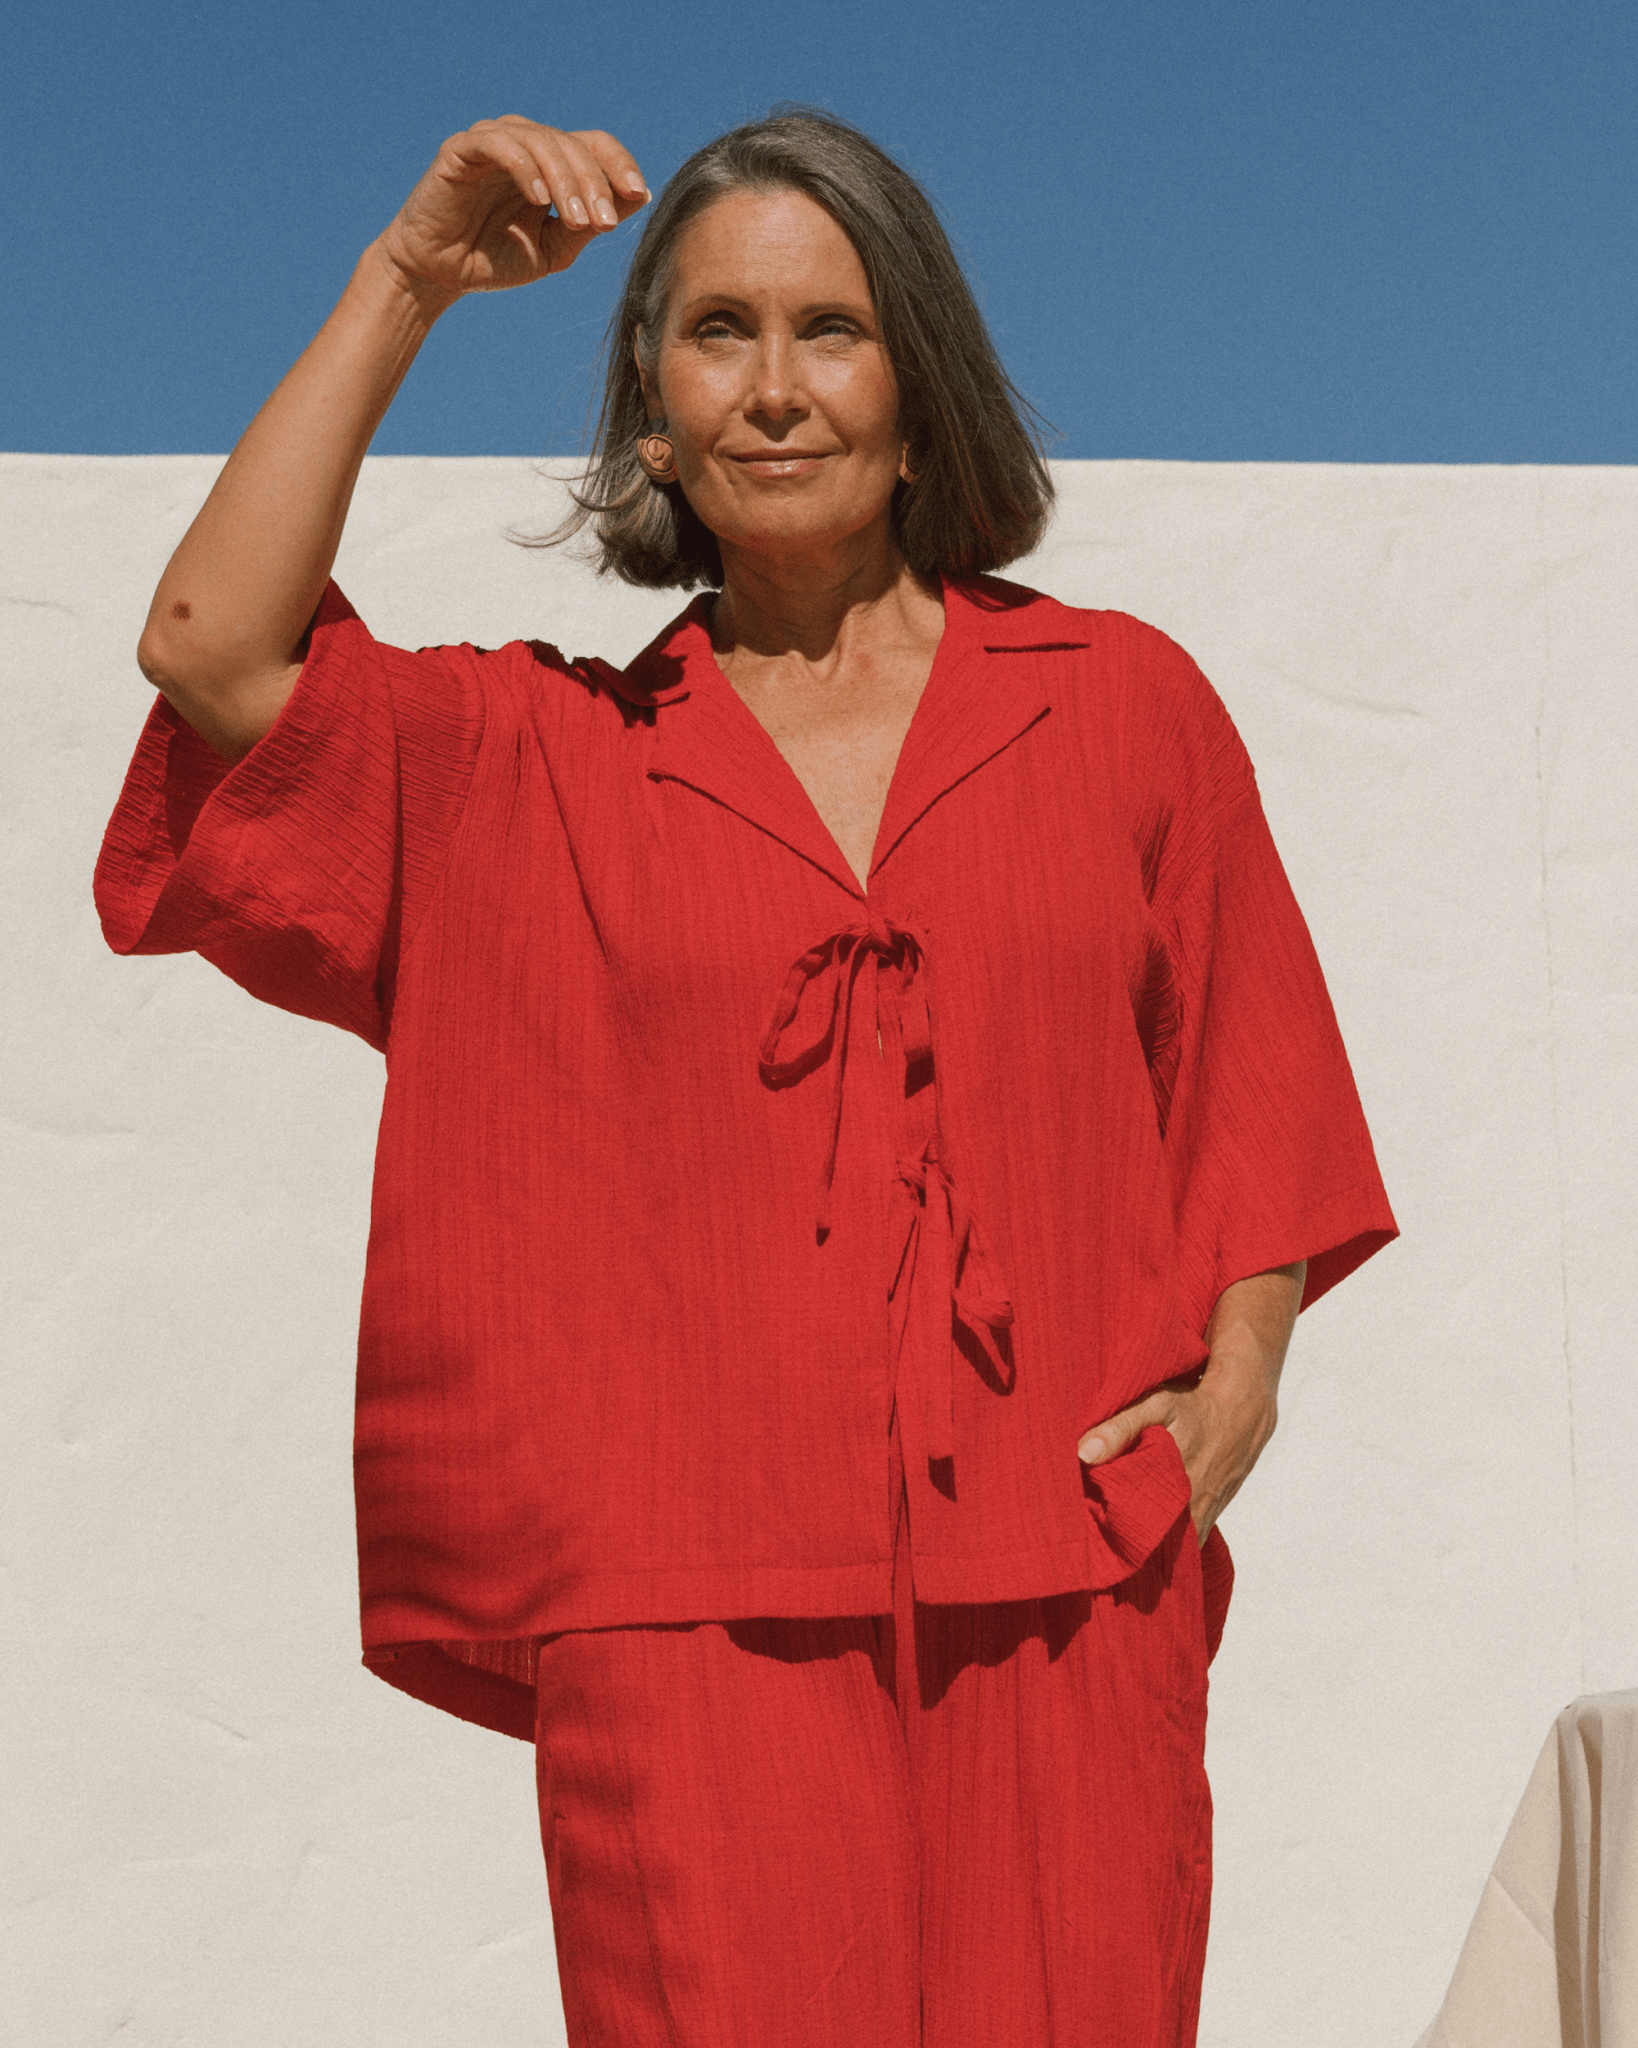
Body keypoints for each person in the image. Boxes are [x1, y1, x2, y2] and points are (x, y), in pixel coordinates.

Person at [96, 107, 1396, 2048]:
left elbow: (1248, 1086)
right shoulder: (536, 758)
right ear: (652, 411)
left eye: (829, 330)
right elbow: (209, 651)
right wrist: (408, 281)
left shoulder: (1123, 706)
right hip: (680, 1616)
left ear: (919, 386)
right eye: (716, 332)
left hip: (1065, 1586)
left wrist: (1236, 1394)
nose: (774, 388)